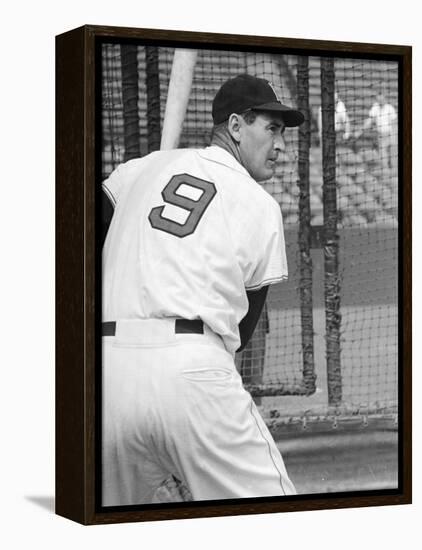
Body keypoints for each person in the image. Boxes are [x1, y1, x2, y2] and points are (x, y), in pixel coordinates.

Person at [101, 73, 304, 506]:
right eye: (272, 128)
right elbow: (242, 333)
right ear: (235, 126)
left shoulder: (140, 169)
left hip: (105, 376)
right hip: (193, 371)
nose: (282, 144)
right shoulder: (259, 203)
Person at [354, 89, 397, 173]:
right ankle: (386, 171)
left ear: (385, 98)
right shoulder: (375, 107)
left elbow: (394, 123)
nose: (380, 101)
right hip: (380, 135)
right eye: (378, 99)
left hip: (390, 134)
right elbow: (369, 121)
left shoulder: (389, 108)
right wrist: (360, 131)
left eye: (381, 99)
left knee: (392, 155)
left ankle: (393, 172)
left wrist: (393, 136)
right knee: (383, 154)